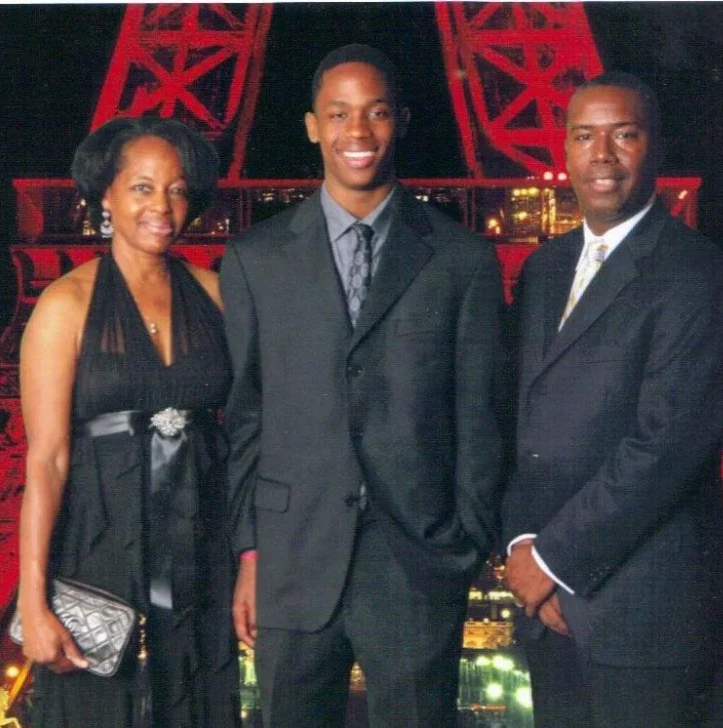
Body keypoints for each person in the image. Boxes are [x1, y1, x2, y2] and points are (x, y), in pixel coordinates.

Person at [220, 44, 503, 726]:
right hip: (291, 563)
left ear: (399, 121)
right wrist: (250, 551)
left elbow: (481, 416)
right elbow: (245, 415)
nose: (358, 132)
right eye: (338, 114)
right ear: (312, 126)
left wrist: (462, 544)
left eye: (374, 113)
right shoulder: (254, 260)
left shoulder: (461, 260)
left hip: (416, 562)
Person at [501, 71, 723, 726]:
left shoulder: (695, 272)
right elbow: (519, 424)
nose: (602, 156)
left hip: (647, 617)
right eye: (584, 136)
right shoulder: (545, 269)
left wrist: (552, 560)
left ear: (655, 148)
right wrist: (525, 546)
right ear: (565, 149)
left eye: (624, 135)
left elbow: (667, 445)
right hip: (550, 611)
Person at [17, 116, 239, 727]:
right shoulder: (65, 304)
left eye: (176, 188)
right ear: (105, 198)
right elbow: (47, 459)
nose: (161, 206)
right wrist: (33, 604)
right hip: (97, 544)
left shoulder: (219, 295)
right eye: (141, 187)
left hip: (203, 544)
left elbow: (254, 428)